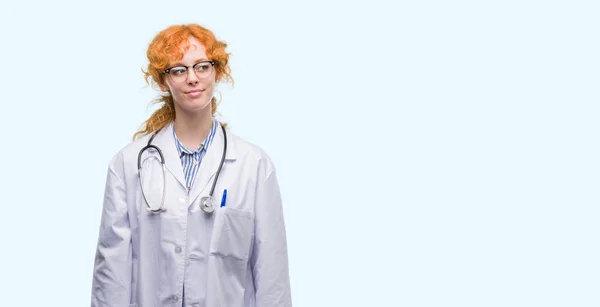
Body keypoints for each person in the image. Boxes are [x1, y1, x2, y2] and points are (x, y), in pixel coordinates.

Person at [91, 24, 292, 307]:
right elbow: (111, 276)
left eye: (202, 66)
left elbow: (273, 275)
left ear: (217, 71)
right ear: (163, 81)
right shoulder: (127, 165)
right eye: (178, 70)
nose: (192, 78)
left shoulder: (254, 166)